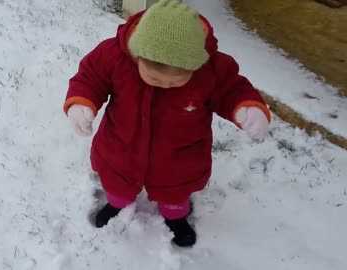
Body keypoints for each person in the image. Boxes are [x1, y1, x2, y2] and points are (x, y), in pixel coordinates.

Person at [63, 0, 270, 247]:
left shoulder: (211, 69)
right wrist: (81, 104)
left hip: (180, 154)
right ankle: (116, 203)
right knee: (117, 181)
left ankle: (175, 215)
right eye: (152, 76)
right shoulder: (115, 57)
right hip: (121, 146)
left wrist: (247, 108)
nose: (164, 84)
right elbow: (90, 77)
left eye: (176, 81)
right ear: (137, 54)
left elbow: (232, 90)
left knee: (176, 189)